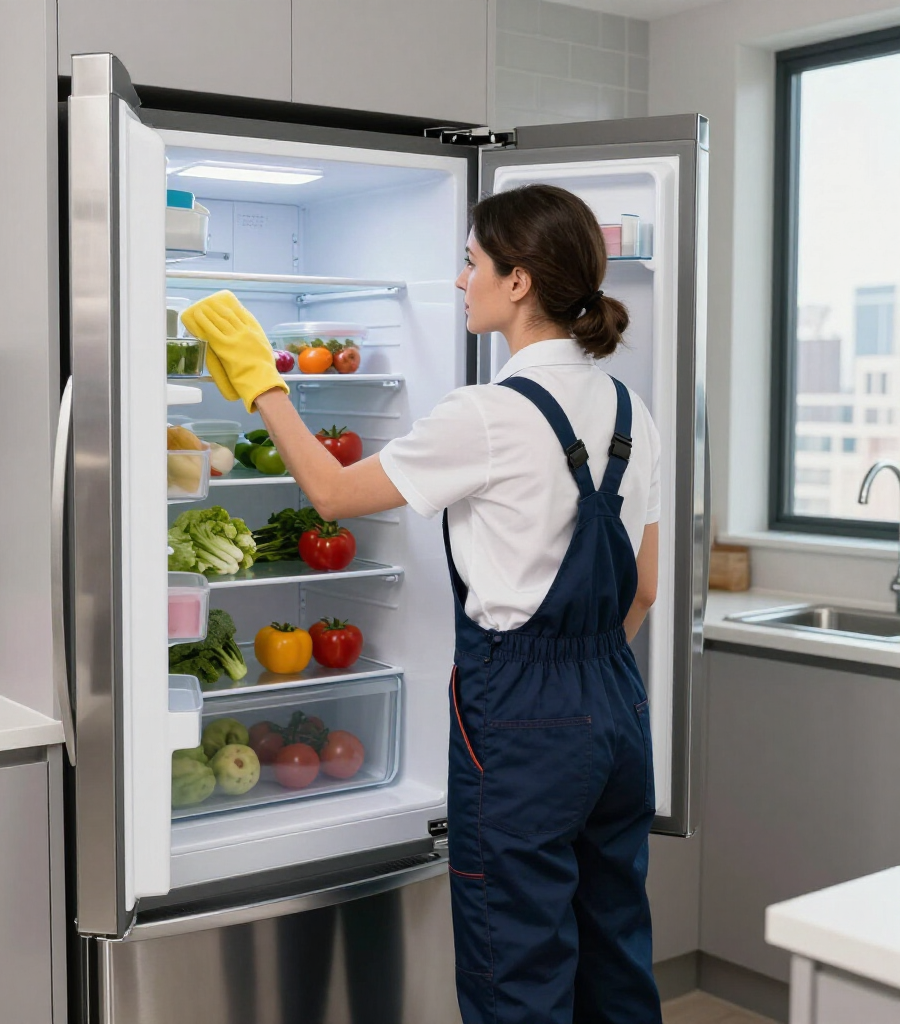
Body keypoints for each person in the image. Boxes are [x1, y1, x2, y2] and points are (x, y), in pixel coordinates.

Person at [182, 182, 663, 1024]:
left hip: (522, 724)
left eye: (471, 262)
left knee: (516, 972)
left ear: (517, 281)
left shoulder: (485, 415)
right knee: (614, 960)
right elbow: (646, 587)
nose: (459, 281)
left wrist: (262, 382)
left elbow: (329, 493)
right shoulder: (632, 411)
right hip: (616, 710)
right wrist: (585, 688)